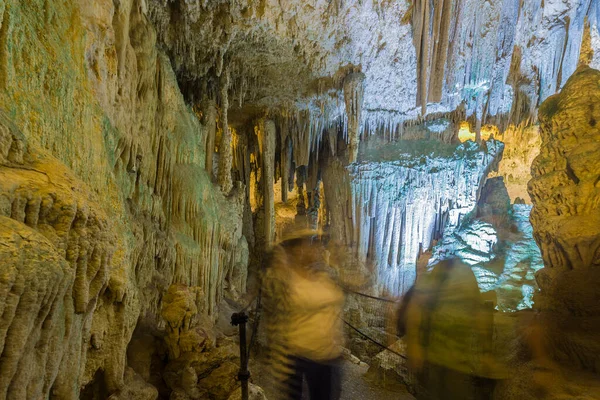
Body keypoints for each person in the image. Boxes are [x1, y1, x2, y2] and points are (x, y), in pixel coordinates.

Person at [399, 258, 501, 400]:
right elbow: (417, 307)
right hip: (437, 358)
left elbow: (479, 313)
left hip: (454, 361)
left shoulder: (454, 274)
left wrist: (485, 352)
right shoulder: (449, 273)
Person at [261, 231, 344, 400]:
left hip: (329, 355)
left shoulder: (324, 276)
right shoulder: (283, 281)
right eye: (309, 244)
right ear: (296, 250)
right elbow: (273, 318)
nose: (316, 248)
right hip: (298, 355)